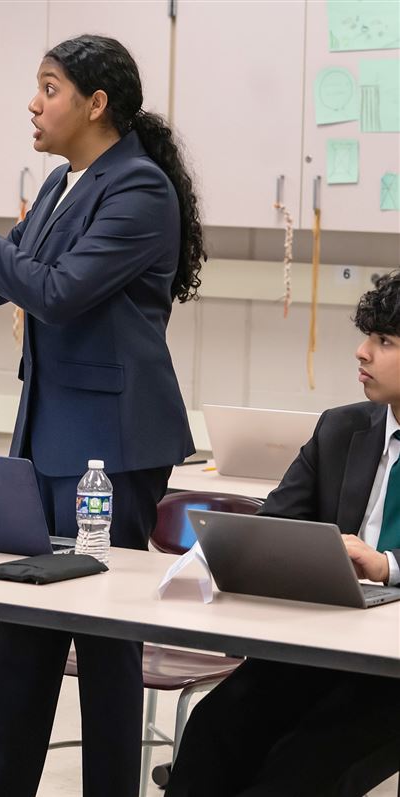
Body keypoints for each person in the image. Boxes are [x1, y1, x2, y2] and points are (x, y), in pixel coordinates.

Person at [0, 35, 203, 797]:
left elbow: (59, 292)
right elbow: (2, 286)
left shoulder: (139, 188)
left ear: (97, 105)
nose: (34, 102)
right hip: (49, 435)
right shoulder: (67, 180)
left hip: (112, 439)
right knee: (22, 635)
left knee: (103, 642)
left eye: (51, 88)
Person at [165, 272, 400, 797]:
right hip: (323, 646)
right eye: (367, 336)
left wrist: (386, 564)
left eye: (384, 341)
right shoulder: (341, 429)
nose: (361, 352)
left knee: (296, 771)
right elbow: (273, 523)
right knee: (212, 730)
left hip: (393, 677)